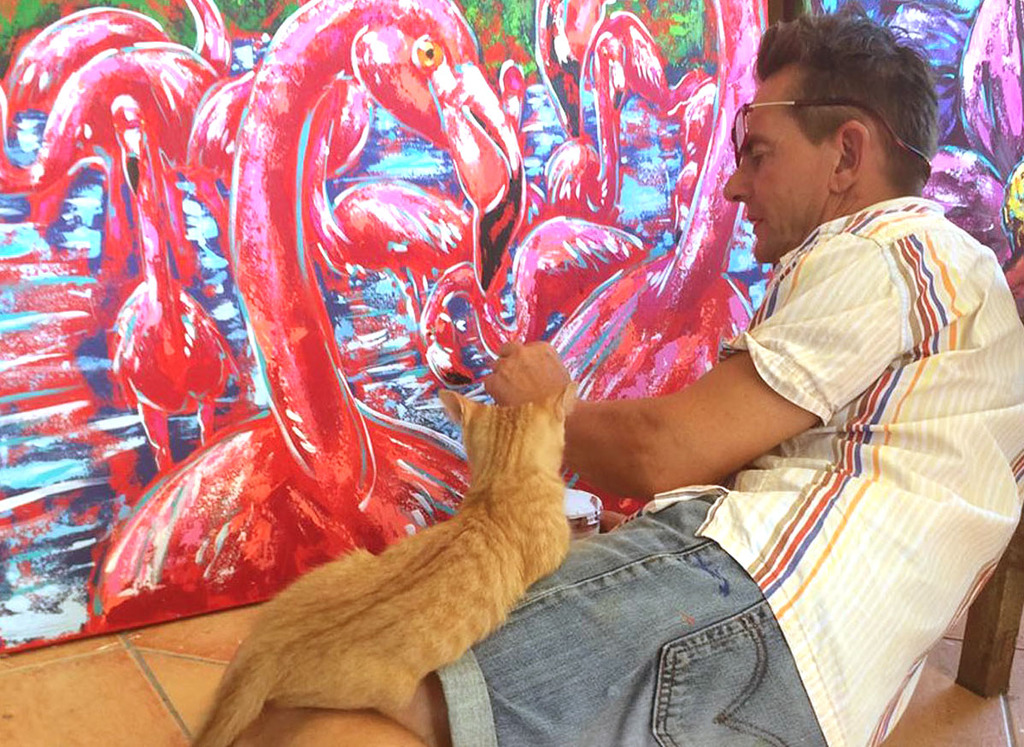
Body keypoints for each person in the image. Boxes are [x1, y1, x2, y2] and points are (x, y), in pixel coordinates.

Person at [240, 8, 1024, 747]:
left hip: (750, 607)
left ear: (847, 155)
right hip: (822, 692)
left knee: (328, 686)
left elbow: (660, 450)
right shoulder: (956, 280)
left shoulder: (886, 253)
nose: (732, 187)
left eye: (757, 153)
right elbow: (817, 463)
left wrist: (547, 408)